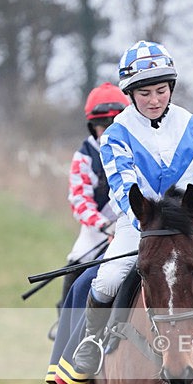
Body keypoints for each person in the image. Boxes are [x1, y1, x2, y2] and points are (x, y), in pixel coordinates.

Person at [72, 40, 193, 376]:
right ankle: (93, 340)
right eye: (145, 93)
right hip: (139, 223)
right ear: (131, 94)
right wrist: (148, 225)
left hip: (190, 225)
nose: (154, 100)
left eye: (161, 90)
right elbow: (124, 188)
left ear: (171, 88)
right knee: (108, 278)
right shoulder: (116, 135)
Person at [48, 83, 130, 340]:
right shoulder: (83, 157)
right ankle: (65, 321)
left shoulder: (136, 147)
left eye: (115, 123)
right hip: (98, 228)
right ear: (92, 126)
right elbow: (80, 201)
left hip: (131, 222)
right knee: (76, 262)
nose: (108, 130)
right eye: (103, 125)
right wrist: (105, 226)